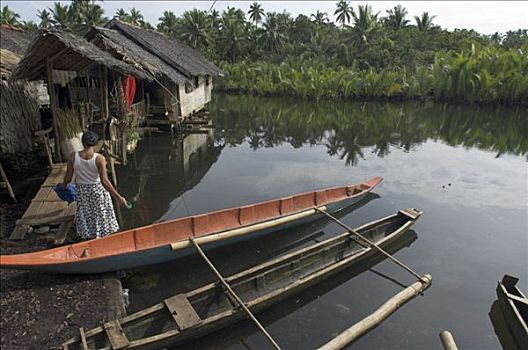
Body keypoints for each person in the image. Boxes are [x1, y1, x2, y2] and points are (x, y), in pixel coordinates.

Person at [61, 131, 127, 239]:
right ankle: (102, 241)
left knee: (87, 216)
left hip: (82, 192)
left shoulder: (73, 157)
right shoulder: (99, 158)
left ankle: (90, 239)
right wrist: (118, 197)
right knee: (100, 217)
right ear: (95, 144)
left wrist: (63, 187)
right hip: (97, 192)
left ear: (82, 142)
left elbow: (68, 178)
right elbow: (105, 181)